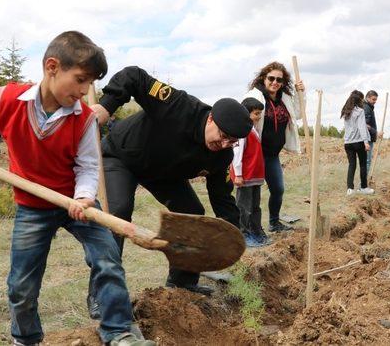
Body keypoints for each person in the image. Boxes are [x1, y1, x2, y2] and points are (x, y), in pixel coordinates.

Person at [0, 31, 154, 346]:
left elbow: (88, 167)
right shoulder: (8, 99)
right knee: (21, 284)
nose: (85, 90)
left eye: (90, 83)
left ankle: (118, 331)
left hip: (77, 202)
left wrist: (83, 198)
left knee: (107, 259)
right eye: (80, 79)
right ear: (52, 67)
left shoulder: (84, 119)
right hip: (32, 207)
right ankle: (26, 338)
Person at [90, 66, 252, 297]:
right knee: (118, 211)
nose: (225, 144)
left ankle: (182, 282)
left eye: (233, 141)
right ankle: (102, 291)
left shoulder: (222, 155)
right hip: (122, 156)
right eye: (224, 136)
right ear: (210, 119)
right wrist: (106, 106)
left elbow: (222, 198)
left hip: (163, 174)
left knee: (193, 213)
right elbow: (134, 76)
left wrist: (234, 236)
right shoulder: (179, 106)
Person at [243, 62, 304, 232]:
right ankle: (248, 229)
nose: (275, 82)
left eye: (279, 79)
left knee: (278, 189)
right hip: (256, 153)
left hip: (272, 155)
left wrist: (301, 94)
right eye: (271, 78)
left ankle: (274, 223)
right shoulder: (255, 96)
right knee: (252, 193)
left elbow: (298, 114)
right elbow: (244, 118)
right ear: (264, 78)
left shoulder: (284, 99)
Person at [230, 97, 269, 248]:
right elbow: (237, 154)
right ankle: (243, 234)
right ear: (246, 114)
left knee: (255, 206)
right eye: (256, 114)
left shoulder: (253, 130)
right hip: (245, 176)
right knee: (244, 207)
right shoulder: (242, 132)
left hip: (255, 176)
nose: (259, 117)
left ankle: (256, 231)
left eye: (260, 114)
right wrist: (238, 174)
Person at [341, 91, 374, 195]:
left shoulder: (346, 111)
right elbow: (361, 127)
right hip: (358, 141)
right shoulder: (359, 111)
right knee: (363, 164)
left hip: (348, 143)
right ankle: (364, 187)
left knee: (352, 165)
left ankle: (350, 189)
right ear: (359, 100)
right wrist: (366, 142)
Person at [363, 90, 383, 174]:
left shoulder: (368, 107)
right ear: (367, 98)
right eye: (373, 99)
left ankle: (363, 184)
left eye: (376, 100)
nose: (375, 102)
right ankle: (363, 186)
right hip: (367, 139)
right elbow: (364, 124)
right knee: (367, 162)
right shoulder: (366, 108)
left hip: (367, 138)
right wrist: (376, 132)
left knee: (366, 161)